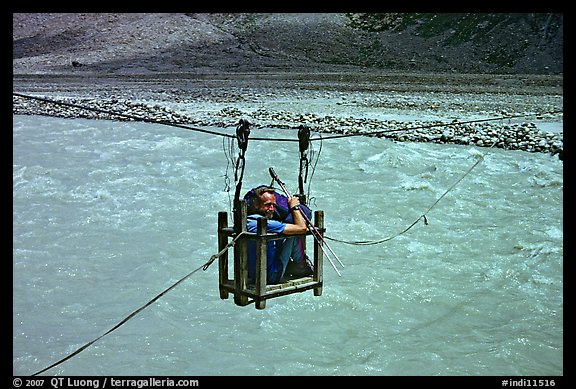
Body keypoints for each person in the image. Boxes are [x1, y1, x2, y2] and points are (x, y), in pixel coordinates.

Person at [246, 186, 314, 284]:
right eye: (268, 205)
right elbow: (301, 228)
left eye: (274, 205)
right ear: (256, 204)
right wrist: (294, 207)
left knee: (281, 237)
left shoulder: (249, 221)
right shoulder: (265, 223)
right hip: (271, 277)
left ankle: (293, 265)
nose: (272, 208)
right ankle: (301, 267)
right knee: (294, 235)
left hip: (253, 276)